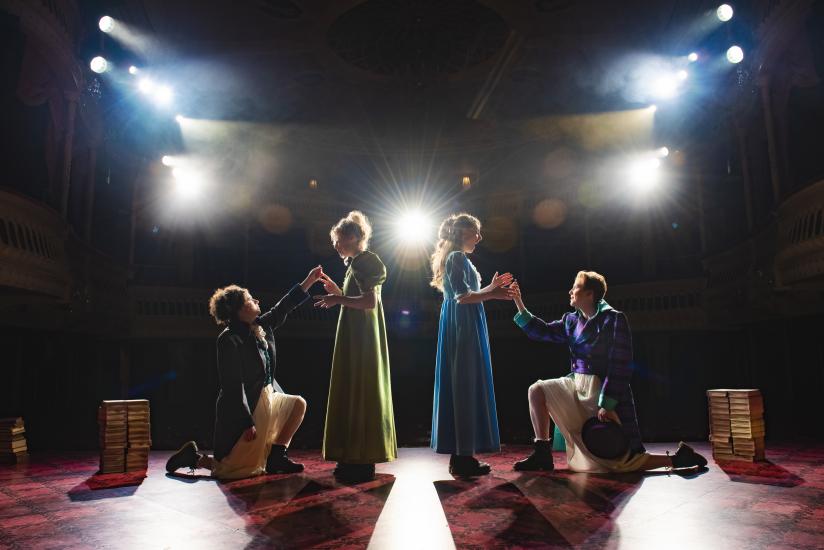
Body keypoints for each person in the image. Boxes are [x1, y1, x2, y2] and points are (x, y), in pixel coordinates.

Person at [510, 271, 707, 473]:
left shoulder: (613, 320)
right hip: (577, 385)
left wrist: (608, 402)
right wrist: (519, 302)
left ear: (590, 294)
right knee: (537, 390)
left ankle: (678, 459)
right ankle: (542, 453)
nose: (570, 291)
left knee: (619, 462)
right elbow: (543, 332)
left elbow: (620, 364)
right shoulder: (571, 320)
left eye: (576, 287)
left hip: (601, 390)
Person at [165, 267, 323, 479]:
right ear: (238, 311)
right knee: (236, 471)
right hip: (246, 404)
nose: (256, 300)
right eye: (250, 299)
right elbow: (233, 384)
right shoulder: (228, 339)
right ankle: (194, 458)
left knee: (298, 404)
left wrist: (308, 282)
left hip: (267, 396)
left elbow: (283, 307)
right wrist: (245, 421)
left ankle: (277, 456)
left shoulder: (261, 325)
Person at [429, 213, 515, 476]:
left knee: (463, 386)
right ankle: (463, 457)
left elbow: (466, 293)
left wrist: (490, 287)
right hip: (463, 326)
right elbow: (463, 298)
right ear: (461, 233)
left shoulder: (457, 258)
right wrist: (493, 293)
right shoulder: (456, 257)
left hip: (463, 323)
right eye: (474, 232)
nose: (479, 237)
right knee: (464, 386)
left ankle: (462, 454)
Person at [314, 211, 396, 482]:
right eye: (336, 241)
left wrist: (339, 300)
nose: (336, 246)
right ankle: (351, 456)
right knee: (353, 387)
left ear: (355, 238)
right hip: (355, 333)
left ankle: (362, 459)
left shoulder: (366, 262)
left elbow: (368, 303)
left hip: (362, 335)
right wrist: (338, 292)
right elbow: (358, 299)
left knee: (361, 387)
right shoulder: (356, 264)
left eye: (340, 240)